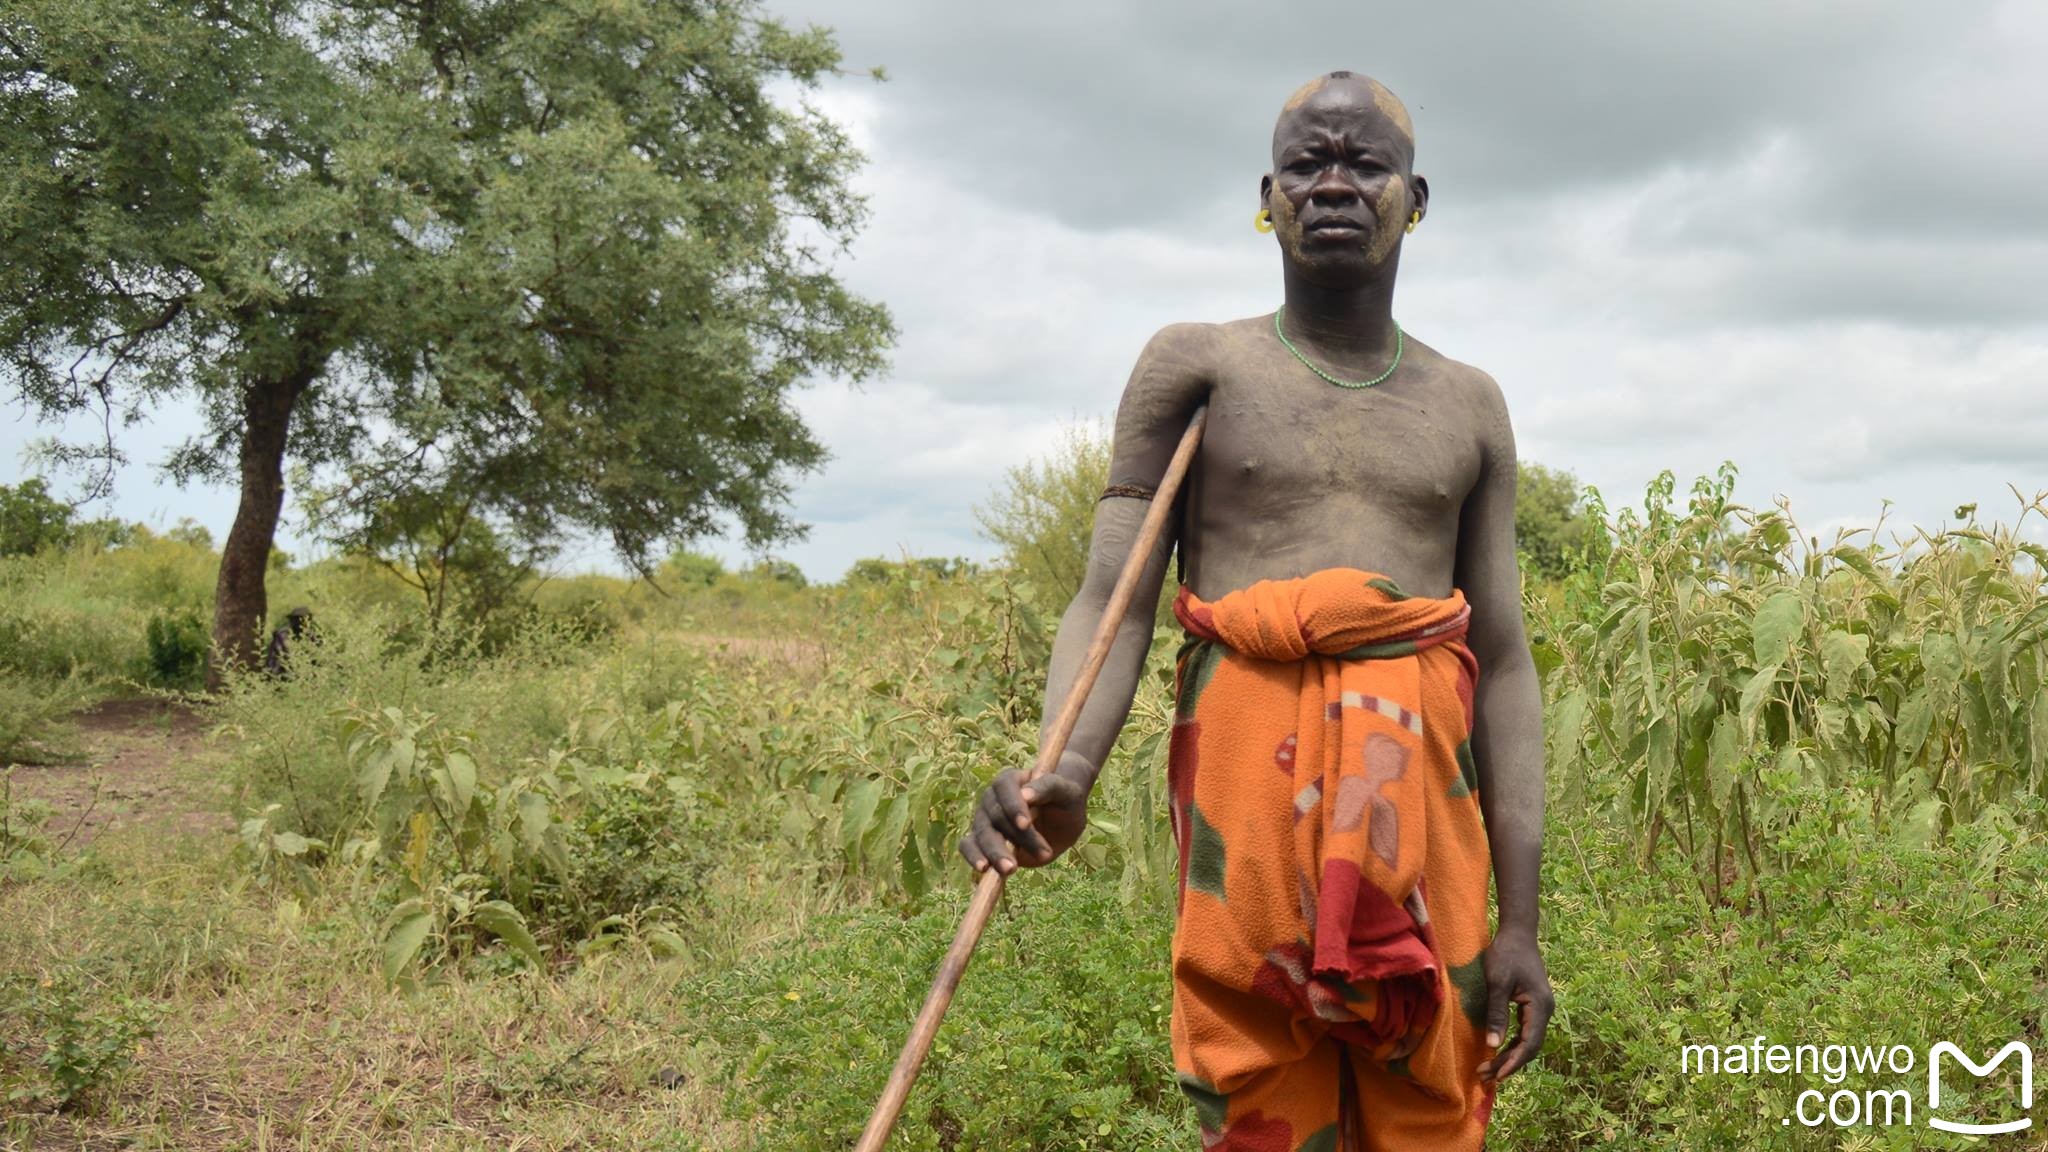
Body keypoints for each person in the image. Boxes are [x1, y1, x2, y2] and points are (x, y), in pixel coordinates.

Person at [959, 71, 1553, 1151]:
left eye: (1362, 165)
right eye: (1305, 165)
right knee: (1249, 1075)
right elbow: (1114, 594)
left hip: (1418, 802)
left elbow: (1502, 657)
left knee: (1430, 1070)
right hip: (1243, 791)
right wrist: (1061, 779)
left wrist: (1520, 923)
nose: (1331, 185)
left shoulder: (1467, 403)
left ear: (1413, 198)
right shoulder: (1196, 365)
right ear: (1265, 197)